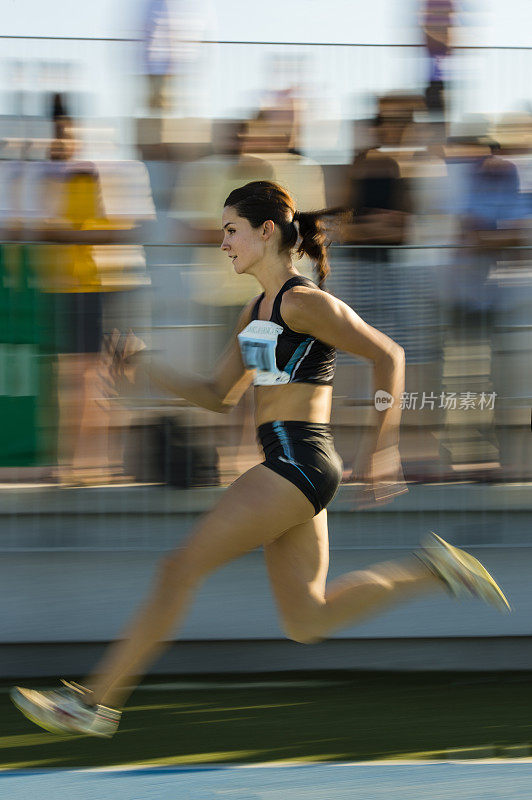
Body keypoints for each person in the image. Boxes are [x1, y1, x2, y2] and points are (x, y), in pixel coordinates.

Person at [11, 180, 510, 737]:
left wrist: (383, 445)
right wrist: (146, 365)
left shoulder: (304, 302)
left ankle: (94, 702)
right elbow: (217, 393)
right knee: (307, 619)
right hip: (295, 468)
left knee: (178, 568)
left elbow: (388, 355)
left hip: (297, 464)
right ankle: (433, 572)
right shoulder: (258, 313)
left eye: (231, 230)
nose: (222, 243)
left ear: (265, 231)